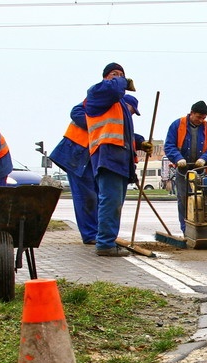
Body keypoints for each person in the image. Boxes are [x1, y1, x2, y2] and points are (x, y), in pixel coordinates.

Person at [83, 62, 152, 257]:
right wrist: (121, 80)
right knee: (110, 201)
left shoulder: (118, 105)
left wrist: (139, 143)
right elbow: (113, 88)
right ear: (105, 77)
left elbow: (123, 131)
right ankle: (104, 244)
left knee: (115, 203)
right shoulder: (97, 93)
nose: (118, 77)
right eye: (114, 74)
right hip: (107, 155)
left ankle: (108, 240)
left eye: (121, 74)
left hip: (119, 158)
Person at [163, 101, 207, 233]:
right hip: (183, 170)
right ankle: (186, 231)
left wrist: (204, 159)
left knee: (205, 199)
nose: (201, 120)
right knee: (183, 199)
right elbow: (169, 145)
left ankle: (204, 228)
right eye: (199, 117)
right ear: (192, 113)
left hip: (202, 170)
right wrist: (178, 158)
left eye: (204, 118)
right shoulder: (177, 125)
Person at [48, 102, 98, 244]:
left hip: (86, 158)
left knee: (93, 197)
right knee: (85, 197)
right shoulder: (96, 100)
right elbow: (76, 113)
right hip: (74, 155)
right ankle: (90, 235)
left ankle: (96, 233)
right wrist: (98, 124)